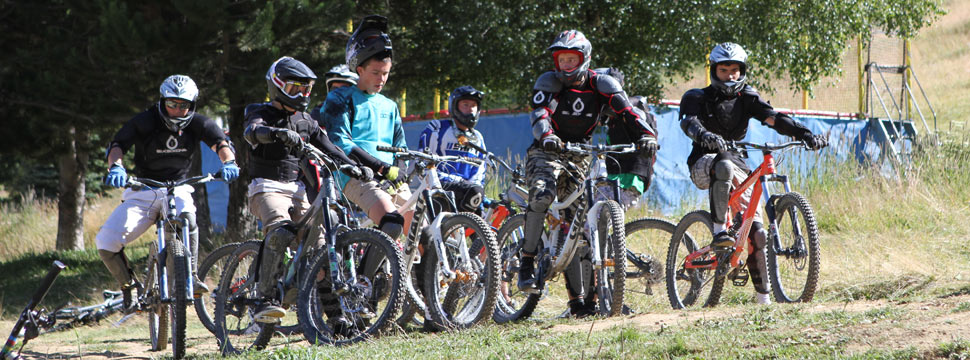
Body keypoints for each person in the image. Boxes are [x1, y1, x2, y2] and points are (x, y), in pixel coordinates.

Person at [516, 30, 659, 318]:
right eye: (562, 59)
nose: (566, 65)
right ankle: (527, 262)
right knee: (543, 195)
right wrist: (547, 135)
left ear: (585, 59)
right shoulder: (548, 82)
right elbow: (540, 114)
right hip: (547, 151)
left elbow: (629, 112)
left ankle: (581, 304)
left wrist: (646, 134)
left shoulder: (601, 84)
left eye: (572, 59)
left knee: (577, 227)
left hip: (580, 156)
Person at [679, 42, 827, 305]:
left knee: (757, 234)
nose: (730, 76)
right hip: (705, 162)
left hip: (739, 165)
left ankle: (763, 303)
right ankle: (718, 232)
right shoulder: (696, 97)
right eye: (724, 70)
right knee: (722, 164)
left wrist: (804, 133)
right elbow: (689, 122)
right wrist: (705, 135)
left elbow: (774, 118)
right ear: (714, 71)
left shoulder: (748, 98)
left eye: (735, 70)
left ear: (742, 70)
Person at [242, 56, 370, 323]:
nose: (301, 95)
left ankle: (337, 320)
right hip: (265, 188)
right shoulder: (260, 111)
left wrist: (354, 167)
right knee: (281, 230)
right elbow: (252, 131)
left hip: (298, 190)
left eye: (306, 89)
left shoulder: (306, 121)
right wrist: (275, 133)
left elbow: (330, 148)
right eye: (294, 88)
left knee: (322, 250)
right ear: (276, 86)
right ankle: (264, 299)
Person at [97, 74, 239, 312]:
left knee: (188, 219)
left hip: (178, 187)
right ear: (162, 101)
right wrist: (116, 167)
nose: (176, 110)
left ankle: (191, 276)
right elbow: (118, 145)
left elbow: (221, 143)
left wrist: (229, 163)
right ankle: (129, 285)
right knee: (105, 241)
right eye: (171, 104)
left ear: (192, 105)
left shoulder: (198, 123)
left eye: (183, 106)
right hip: (143, 189)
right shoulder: (145, 121)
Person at [320, 15, 412, 244]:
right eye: (375, 73)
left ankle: (420, 280)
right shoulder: (339, 98)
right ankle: (364, 279)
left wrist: (398, 172)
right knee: (392, 223)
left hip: (389, 179)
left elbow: (400, 148)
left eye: (386, 73)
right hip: (355, 176)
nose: (382, 79)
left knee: (425, 234)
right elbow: (342, 144)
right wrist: (382, 167)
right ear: (359, 69)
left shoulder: (390, 106)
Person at [590, 67, 658, 208]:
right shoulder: (612, 118)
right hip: (614, 175)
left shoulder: (632, 107)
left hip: (630, 177)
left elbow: (640, 115)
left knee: (595, 221)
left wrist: (646, 135)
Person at [417, 85, 488, 215]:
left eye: (473, 105)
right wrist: (460, 182)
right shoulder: (437, 128)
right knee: (474, 192)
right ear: (455, 106)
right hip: (438, 186)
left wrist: (471, 187)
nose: (470, 110)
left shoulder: (478, 137)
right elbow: (423, 164)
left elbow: (480, 170)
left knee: (481, 205)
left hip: (468, 191)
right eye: (465, 105)